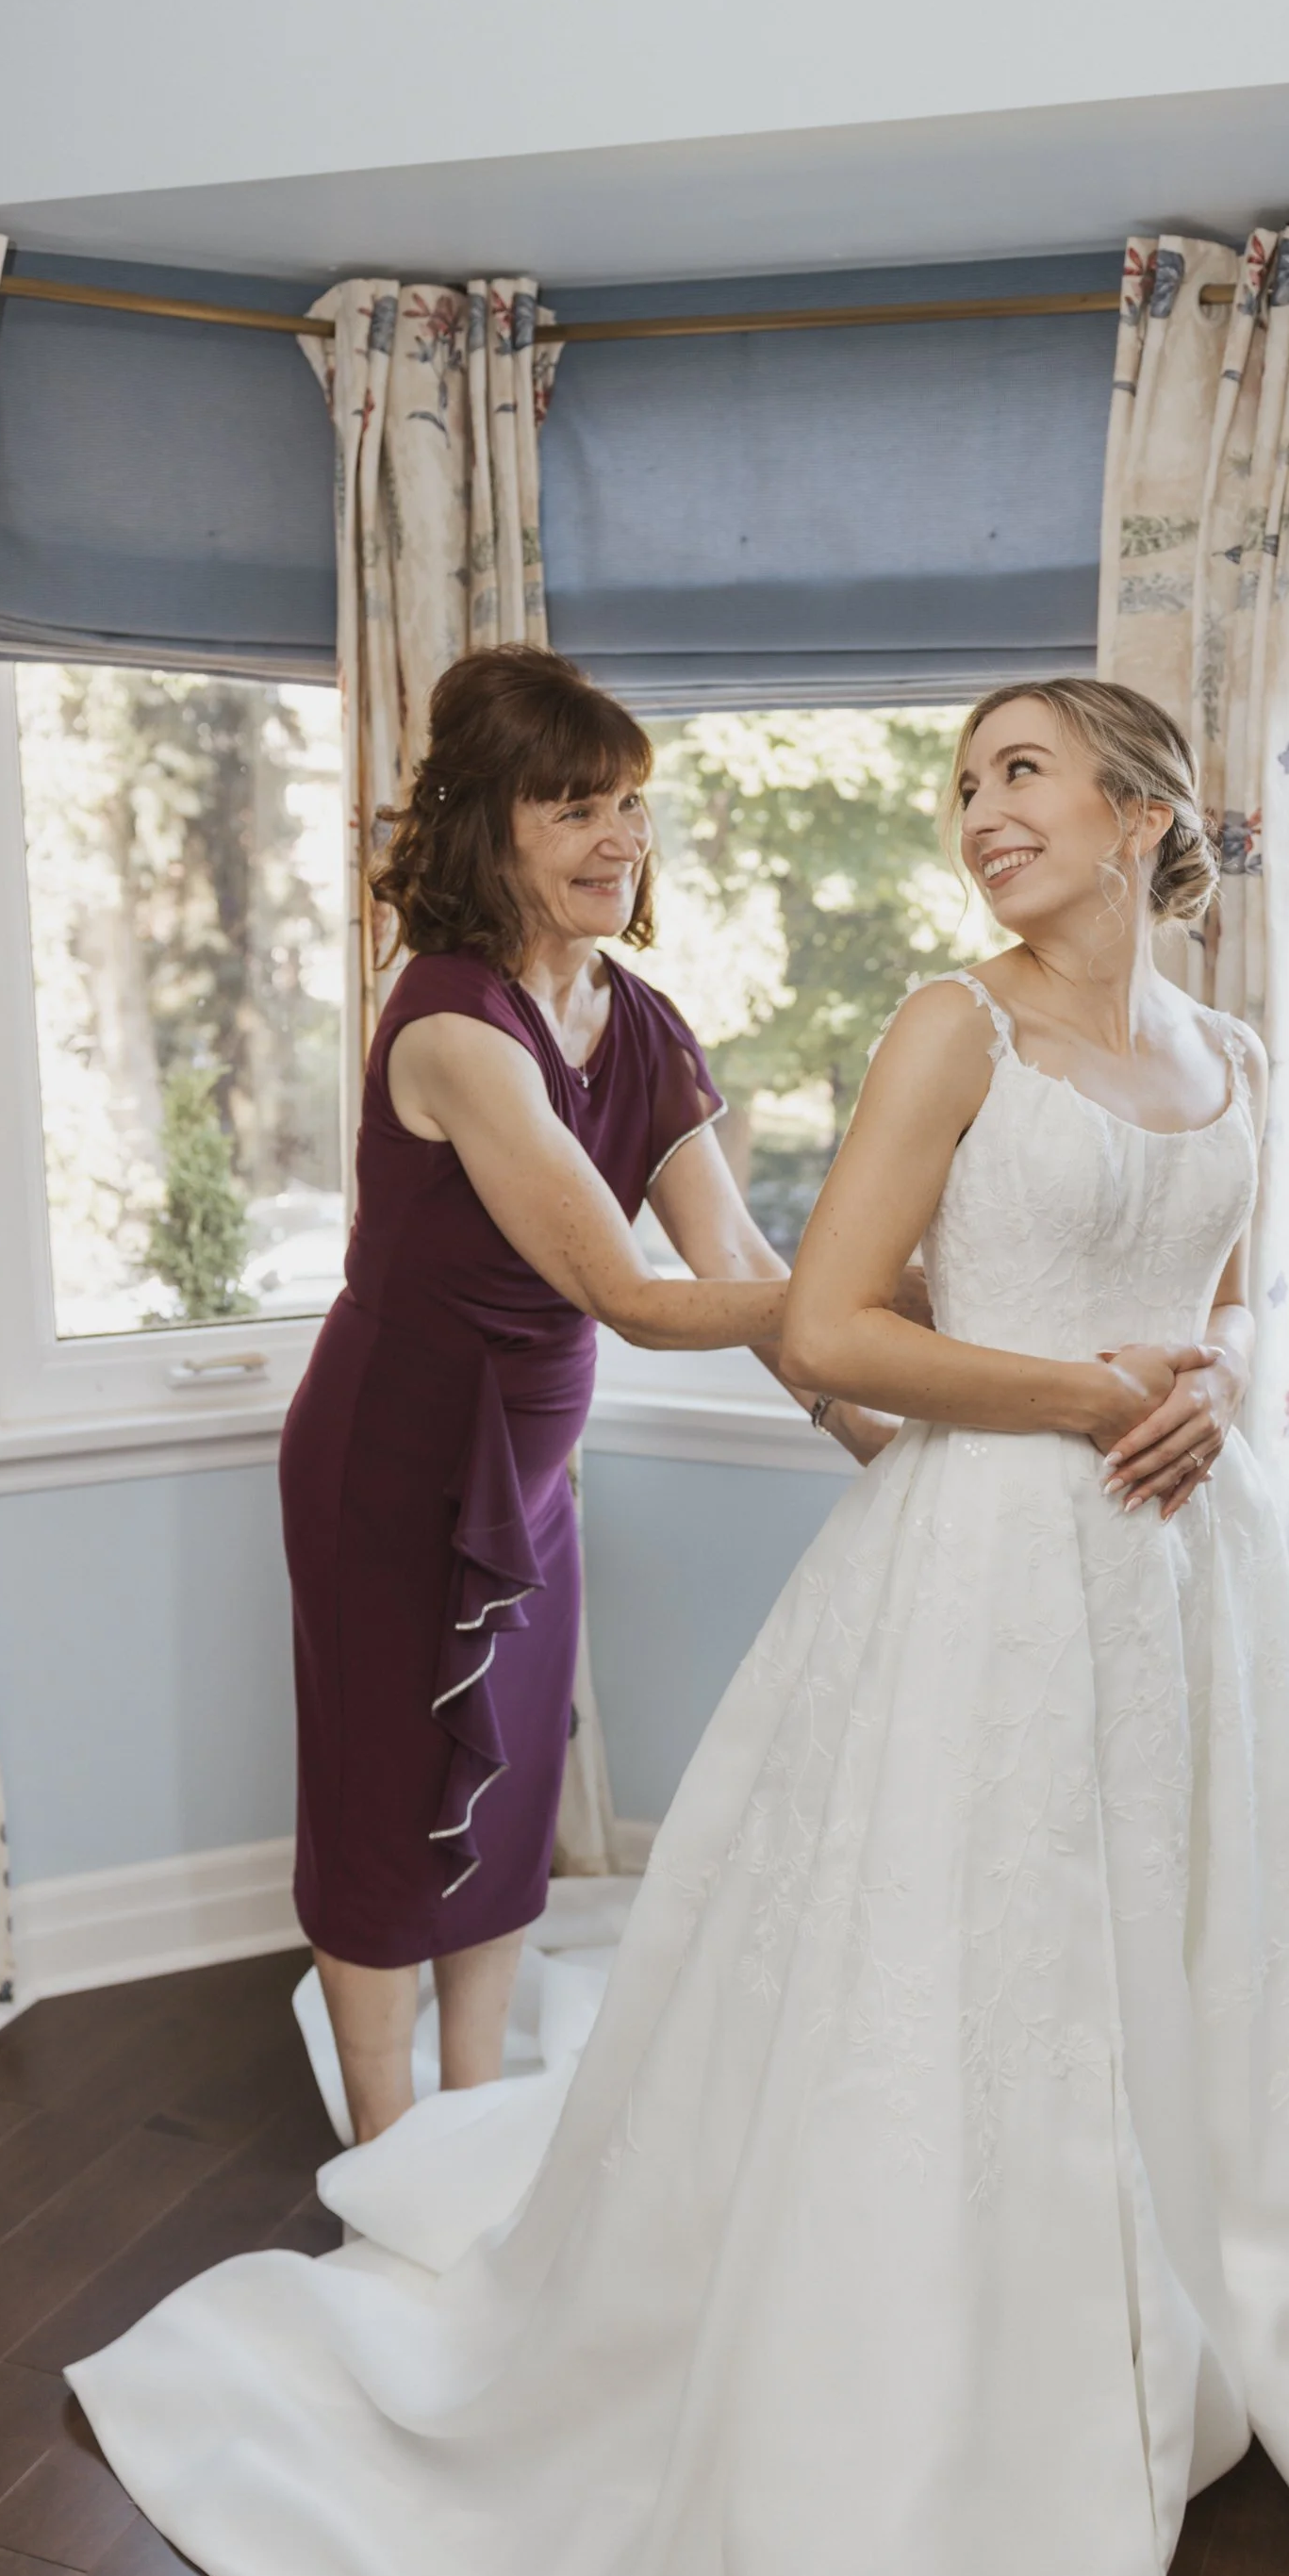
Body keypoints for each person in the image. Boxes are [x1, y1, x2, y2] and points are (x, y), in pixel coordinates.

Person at [70, 676, 1289, 2576]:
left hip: (1147, 1565)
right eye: (962, 779)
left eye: (1018, 771)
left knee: (1118, 1925)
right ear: (495, 825)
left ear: (1143, 814)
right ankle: (405, 2157)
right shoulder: (584, 1022)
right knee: (415, 1785)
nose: (974, 808)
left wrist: (1163, 1380)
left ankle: (1136, 2315)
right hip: (448, 1434)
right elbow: (737, 1297)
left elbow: (891, 1288)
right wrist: (1013, 1381)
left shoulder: (1197, 1047)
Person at [277, 643, 900, 2145]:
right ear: (486, 827)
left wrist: (878, 1436)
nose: (620, 838)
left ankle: (472, 2114)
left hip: (529, 1477)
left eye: (629, 803)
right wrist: (888, 1309)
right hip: (390, 1465)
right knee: (383, 1799)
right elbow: (632, 1296)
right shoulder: (450, 1026)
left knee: (506, 1790)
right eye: (574, 809)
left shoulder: (646, 1024)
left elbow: (738, 1264)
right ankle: (388, 2158)